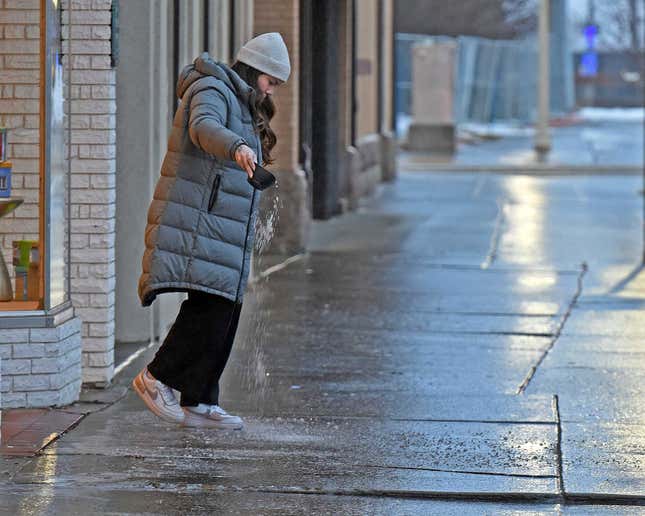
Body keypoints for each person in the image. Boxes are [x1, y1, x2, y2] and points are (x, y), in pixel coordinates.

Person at [132, 33, 290, 429]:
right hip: (201, 220)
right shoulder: (211, 87)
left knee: (227, 308)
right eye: (271, 80)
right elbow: (203, 127)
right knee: (210, 306)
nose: (271, 90)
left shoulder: (241, 100)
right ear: (255, 70)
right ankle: (156, 378)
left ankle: (200, 399)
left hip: (222, 225)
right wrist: (236, 146)